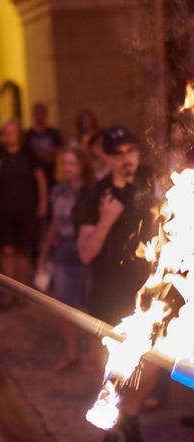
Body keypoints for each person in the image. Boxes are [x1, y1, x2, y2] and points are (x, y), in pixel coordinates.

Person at [77, 126, 159, 442]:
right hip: (108, 296)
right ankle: (112, 425)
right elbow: (85, 253)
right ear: (107, 157)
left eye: (133, 151)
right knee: (110, 371)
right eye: (120, 153)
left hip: (148, 295)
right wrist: (107, 220)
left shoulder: (150, 187)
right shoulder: (95, 196)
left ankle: (131, 416)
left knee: (150, 365)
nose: (128, 159)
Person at [38, 148, 93, 372]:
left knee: (88, 306)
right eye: (65, 163)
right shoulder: (58, 191)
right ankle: (72, 353)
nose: (68, 168)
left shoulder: (91, 192)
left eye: (73, 163)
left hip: (87, 251)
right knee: (64, 306)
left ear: (82, 166)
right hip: (63, 250)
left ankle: (92, 355)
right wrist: (44, 251)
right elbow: (55, 223)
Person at [0, 119, 48, 308]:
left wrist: (43, 201)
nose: (8, 136)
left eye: (12, 132)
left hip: (26, 209)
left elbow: (40, 178)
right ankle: (8, 292)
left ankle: (22, 292)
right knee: (7, 251)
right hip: (4, 210)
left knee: (25, 252)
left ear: (19, 135)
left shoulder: (29, 155)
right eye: (5, 132)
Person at [24, 102, 64, 185]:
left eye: (41, 113)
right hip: (33, 176)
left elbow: (60, 151)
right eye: (36, 113)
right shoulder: (27, 135)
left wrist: (43, 155)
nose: (39, 116)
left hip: (52, 174)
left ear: (46, 115)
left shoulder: (54, 133)